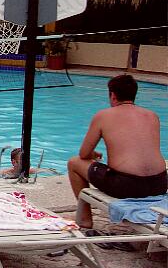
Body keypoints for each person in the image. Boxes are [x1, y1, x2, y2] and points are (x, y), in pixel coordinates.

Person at [67, 74, 166, 228]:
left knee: (74, 163)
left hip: (127, 185)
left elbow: (83, 154)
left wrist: (93, 155)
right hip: (159, 183)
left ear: (113, 95)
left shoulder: (103, 116)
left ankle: (85, 220)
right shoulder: (152, 116)